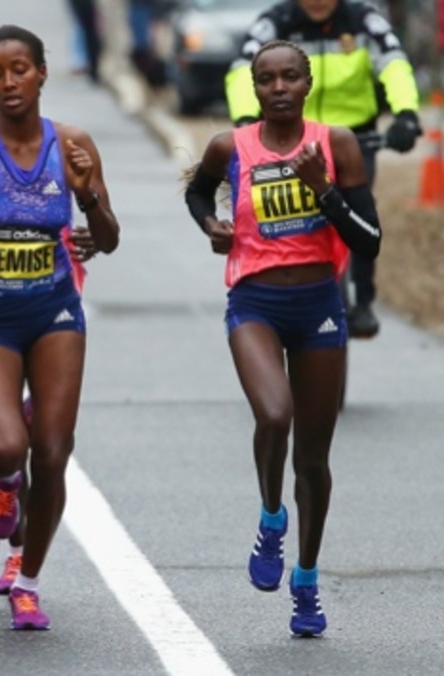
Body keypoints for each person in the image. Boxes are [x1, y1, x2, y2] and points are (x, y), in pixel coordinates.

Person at [0, 25, 120, 631]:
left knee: (55, 452)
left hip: (55, 310)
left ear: (41, 73)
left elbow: (108, 239)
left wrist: (88, 198)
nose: (9, 82)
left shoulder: (73, 143)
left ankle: (28, 581)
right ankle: (4, 482)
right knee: (5, 445)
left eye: (20, 70)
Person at [188, 39, 380, 637]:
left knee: (315, 459)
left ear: (306, 82)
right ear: (254, 88)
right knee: (275, 415)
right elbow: (199, 190)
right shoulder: (232, 145)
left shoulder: (336, 144)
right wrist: (212, 224)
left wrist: (324, 188)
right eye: (266, 79)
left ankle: (306, 579)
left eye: (289, 78)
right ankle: (272, 517)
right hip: (255, 302)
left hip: (319, 303)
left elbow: (369, 239)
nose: (278, 88)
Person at [225, 0, 421, 338]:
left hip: (353, 140)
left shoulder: (363, 20)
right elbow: (243, 68)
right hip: (293, 138)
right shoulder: (276, 21)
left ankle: (361, 298)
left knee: (359, 216)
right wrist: (245, 118)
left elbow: (394, 64)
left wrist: (406, 113)